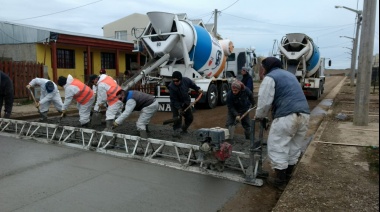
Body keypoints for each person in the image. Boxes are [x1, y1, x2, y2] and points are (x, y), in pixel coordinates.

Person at [255, 57, 310, 190]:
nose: (263, 70)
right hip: (304, 115)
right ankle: (288, 174)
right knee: (294, 145)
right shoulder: (290, 75)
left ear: (268, 67)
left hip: (287, 116)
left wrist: (259, 116)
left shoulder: (270, 77)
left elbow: (264, 101)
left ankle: (280, 180)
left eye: (263, 67)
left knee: (277, 145)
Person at [168, 71, 203, 138]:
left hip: (185, 102)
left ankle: (183, 130)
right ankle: (176, 132)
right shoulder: (171, 87)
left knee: (190, 118)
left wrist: (198, 89)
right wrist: (179, 109)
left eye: (177, 81)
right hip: (175, 104)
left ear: (180, 79)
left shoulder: (186, 80)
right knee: (177, 118)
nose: (175, 82)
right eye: (174, 81)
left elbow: (193, 85)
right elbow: (174, 100)